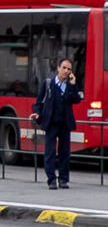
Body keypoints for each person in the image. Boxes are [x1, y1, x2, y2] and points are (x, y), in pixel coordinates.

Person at [31, 58, 82, 190]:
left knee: (65, 152)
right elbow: (38, 102)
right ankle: (51, 179)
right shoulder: (48, 84)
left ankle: (63, 179)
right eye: (64, 68)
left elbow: (76, 100)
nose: (66, 71)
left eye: (69, 69)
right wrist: (37, 113)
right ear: (58, 68)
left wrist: (73, 85)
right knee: (50, 152)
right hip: (51, 123)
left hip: (65, 124)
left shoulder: (70, 85)